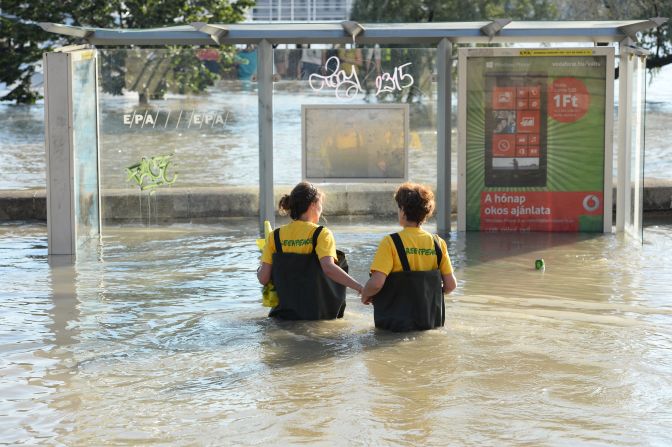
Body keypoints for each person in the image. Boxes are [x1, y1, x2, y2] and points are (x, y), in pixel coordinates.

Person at [257, 182, 363, 320]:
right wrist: (359, 287)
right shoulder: (321, 234)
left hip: (283, 317)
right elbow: (329, 268)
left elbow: (263, 278)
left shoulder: (275, 236)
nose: (321, 208)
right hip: (316, 316)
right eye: (320, 203)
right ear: (313, 204)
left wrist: (259, 268)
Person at [361, 182, 457, 331]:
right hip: (428, 322)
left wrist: (365, 294)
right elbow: (451, 285)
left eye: (398, 208)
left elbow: (376, 284)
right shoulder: (438, 243)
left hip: (395, 324)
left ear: (403, 211)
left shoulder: (390, 242)